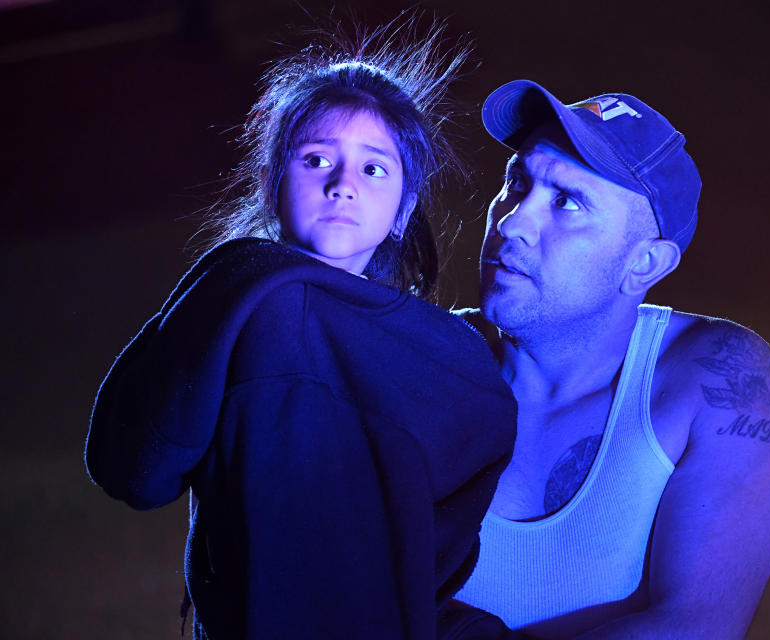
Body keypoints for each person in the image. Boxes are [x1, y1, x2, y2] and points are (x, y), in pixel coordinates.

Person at [83, 23, 517, 640]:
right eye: (316, 159)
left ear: (404, 206)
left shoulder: (453, 353)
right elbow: (135, 468)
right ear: (273, 181)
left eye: (374, 169)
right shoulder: (247, 305)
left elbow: (138, 467)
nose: (342, 183)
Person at [454, 80, 770, 639]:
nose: (512, 222)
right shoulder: (424, 355)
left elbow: (695, 628)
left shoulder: (710, 373)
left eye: (566, 202)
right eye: (516, 183)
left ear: (644, 264)